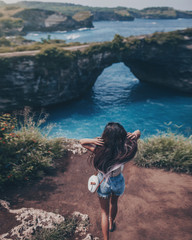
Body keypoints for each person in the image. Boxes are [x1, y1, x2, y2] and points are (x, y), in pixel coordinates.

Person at [80, 122, 140, 240]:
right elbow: (138, 133)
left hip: (103, 181)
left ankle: (106, 239)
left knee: (104, 213)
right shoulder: (125, 151)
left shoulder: (99, 150)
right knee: (114, 203)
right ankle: (112, 223)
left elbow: (82, 142)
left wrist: (94, 140)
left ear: (105, 137)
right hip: (118, 181)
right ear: (121, 137)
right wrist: (135, 134)